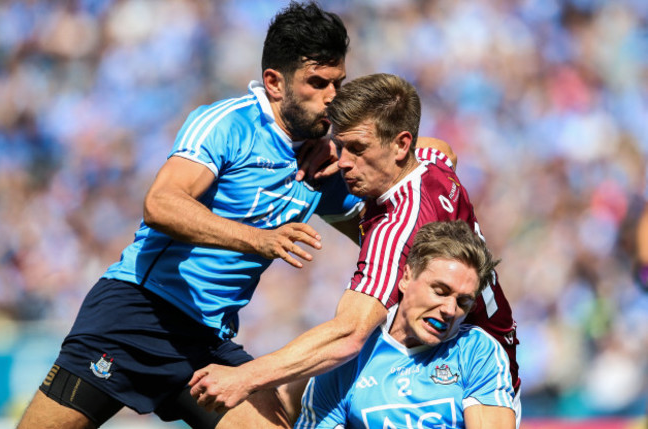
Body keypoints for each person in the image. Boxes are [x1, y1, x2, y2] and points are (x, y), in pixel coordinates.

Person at [17, 2, 360, 428]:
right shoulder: (228, 124)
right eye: (318, 83)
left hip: (206, 340)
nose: (332, 97)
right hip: (138, 311)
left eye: (338, 83)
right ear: (274, 82)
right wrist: (258, 239)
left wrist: (418, 157)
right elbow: (161, 204)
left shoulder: (323, 161)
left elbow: (377, 230)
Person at [189, 73, 521, 427]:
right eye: (341, 145)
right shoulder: (431, 165)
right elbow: (444, 149)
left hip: (457, 368)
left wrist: (245, 377)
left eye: (358, 149)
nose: (344, 162)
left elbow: (350, 333)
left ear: (400, 144)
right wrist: (343, 145)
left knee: (269, 398)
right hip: (487, 347)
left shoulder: (396, 229)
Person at [296, 220, 516, 429]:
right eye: (440, 291)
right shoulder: (347, 357)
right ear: (406, 278)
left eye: (462, 302)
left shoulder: (475, 351)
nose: (449, 309)